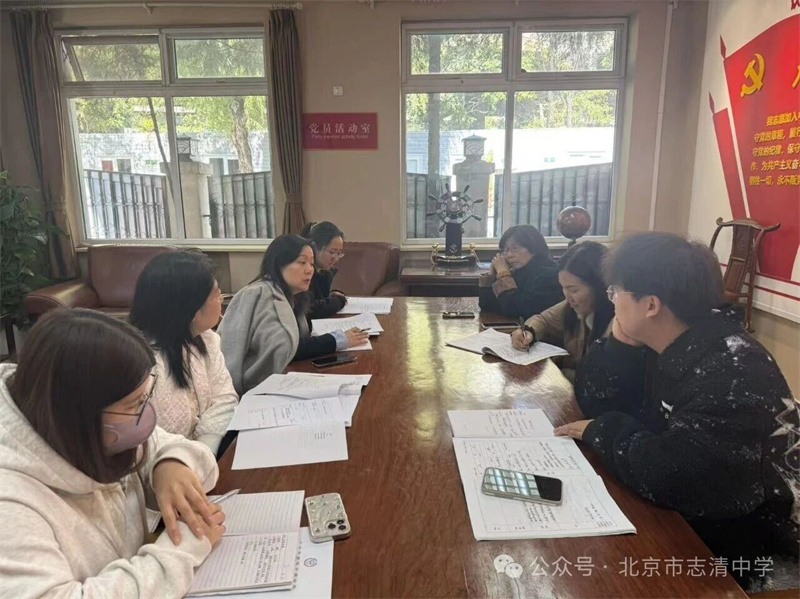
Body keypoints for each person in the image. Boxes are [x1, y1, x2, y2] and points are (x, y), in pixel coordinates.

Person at [554, 232, 799, 592]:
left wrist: (604, 431)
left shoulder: (732, 368)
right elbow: (593, 399)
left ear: (651, 305)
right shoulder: (668, 341)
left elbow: (676, 476)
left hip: (750, 557)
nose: (612, 299)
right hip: (694, 521)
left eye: (616, 291)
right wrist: (620, 346)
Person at [0, 309, 226, 598]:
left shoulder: (93, 431)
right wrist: (184, 548)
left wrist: (172, 463)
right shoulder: (11, 503)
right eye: (135, 404)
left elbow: (192, 457)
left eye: (144, 398)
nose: (145, 415)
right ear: (77, 415)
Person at [219, 235, 368, 395]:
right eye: (302, 262)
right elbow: (286, 349)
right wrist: (336, 340)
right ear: (279, 263)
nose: (309, 270)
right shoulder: (261, 295)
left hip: (279, 383)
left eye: (311, 263)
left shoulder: (293, 296)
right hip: (251, 392)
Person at [130, 250, 238, 459]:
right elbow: (144, 439)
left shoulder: (207, 339)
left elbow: (225, 398)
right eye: (216, 294)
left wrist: (204, 451)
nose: (221, 299)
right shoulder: (140, 363)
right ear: (191, 308)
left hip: (205, 456)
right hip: (163, 468)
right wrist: (189, 461)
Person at [511, 241, 614, 380]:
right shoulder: (571, 306)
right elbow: (544, 321)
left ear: (600, 287)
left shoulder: (618, 324)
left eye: (573, 290)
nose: (567, 297)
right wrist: (528, 332)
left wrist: (562, 372)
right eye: (563, 288)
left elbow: (596, 380)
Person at [478, 224, 563, 320]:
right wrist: (491, 274)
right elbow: (487, 305)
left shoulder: (548, 275)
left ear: (534, 248)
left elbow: (516, 309)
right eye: (505, 250)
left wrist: (503, 274)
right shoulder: (519, 272)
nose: (509, 255)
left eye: (515, 249)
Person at [300, 221, 348, 318]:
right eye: (332, 252)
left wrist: (333, 297)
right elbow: (311, 309)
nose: (336, 258)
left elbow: (322, 300)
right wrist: (338, 301)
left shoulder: (324, 272)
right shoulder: (304, 272)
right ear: (314, 247)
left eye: (339, 253)